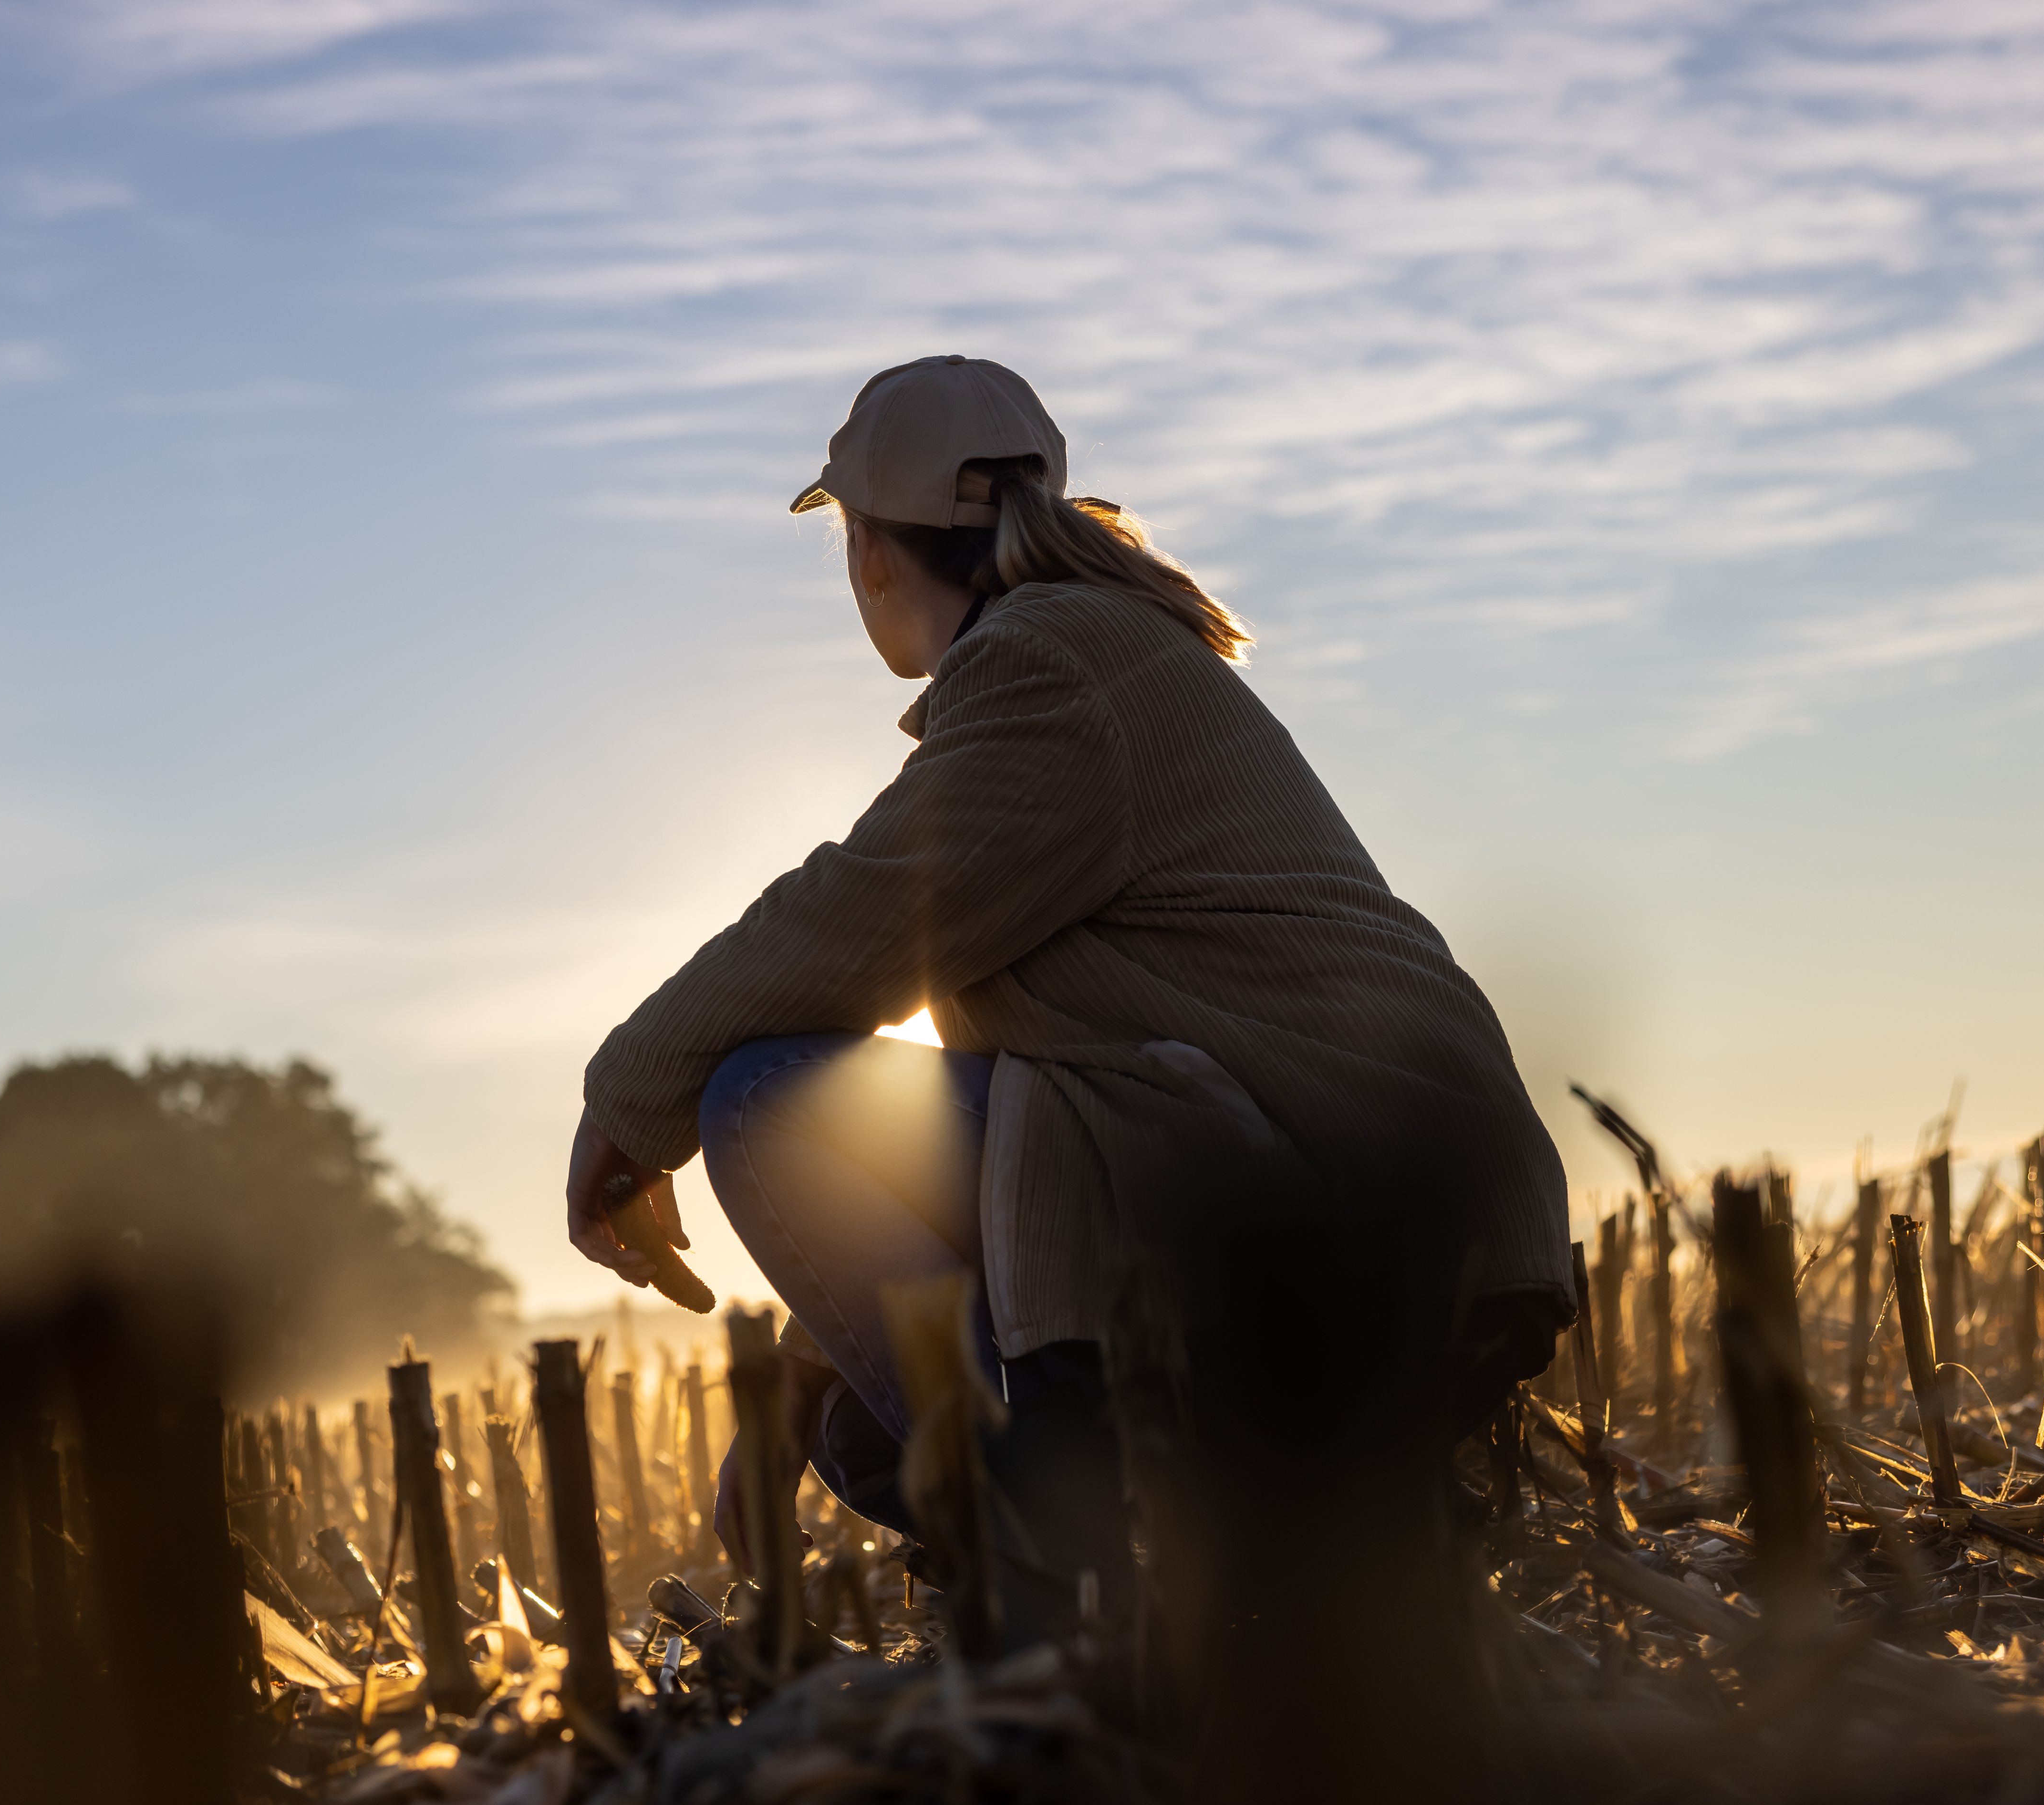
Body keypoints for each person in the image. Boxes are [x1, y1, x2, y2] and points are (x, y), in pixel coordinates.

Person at [565, 355, 1571, 1644]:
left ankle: (1063, 1585)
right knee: (856, 1440)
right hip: (1333, 1193)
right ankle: (1208, 1549)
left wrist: (628, 1106)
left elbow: (860, 917)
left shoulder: (1048, 671)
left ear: (870, 551)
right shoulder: (1094, 653)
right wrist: (793, 1395)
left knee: (763, 1099)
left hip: (1351, 1213)